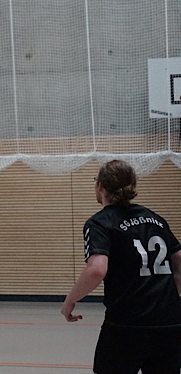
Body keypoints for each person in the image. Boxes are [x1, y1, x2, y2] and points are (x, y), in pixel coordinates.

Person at [61, 159, 181, 374]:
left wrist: (70, 300)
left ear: (100, 186)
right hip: (169, 324)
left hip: (126, 324)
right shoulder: (156, 219)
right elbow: (179, 262)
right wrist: (168, 302)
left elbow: (97, 269)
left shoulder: (100, 222)